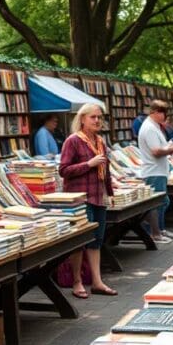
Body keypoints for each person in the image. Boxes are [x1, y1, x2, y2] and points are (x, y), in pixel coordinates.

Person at [59, 103, 117, 298]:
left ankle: (97, 282)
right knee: (80, 241)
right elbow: (64, 170)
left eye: (100, 117)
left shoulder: (100, 141)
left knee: (96, 241)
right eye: (93, 117)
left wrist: (110, 193)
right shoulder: (73, 141)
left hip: (98, 197)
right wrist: (88, 164)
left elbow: (105, 171)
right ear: (82, 119)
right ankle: (77, 282)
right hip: (80, 199)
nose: (97, 120)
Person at [138, 100, 173, 243]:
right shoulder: (149, 128)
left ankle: (159, 229)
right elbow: (156, 151)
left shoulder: (154, 127)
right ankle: (155, 233)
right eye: (162, 113)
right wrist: (170, 149)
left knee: (162, 202)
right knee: (158, 203)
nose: (164, 116)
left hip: (158, 170)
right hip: (154, 171)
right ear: (154, 112)